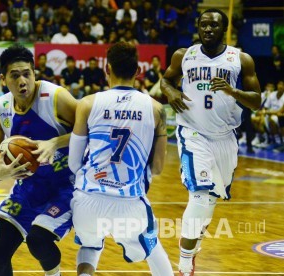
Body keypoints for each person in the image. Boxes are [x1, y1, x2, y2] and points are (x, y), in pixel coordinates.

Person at [160, 8, 261, 275]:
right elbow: (166, 79)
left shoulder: (241, 59)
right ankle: (183, 265)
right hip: (192, 132)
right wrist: (170, 91)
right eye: (203, 25)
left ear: (224, 29)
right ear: (197, 27)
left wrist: (232, 90)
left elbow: (256, 101)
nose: (207, 30)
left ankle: (194, 246)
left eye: (213, 26)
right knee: (200, 192)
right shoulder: (184, 55)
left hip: (225, 137)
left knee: (212, 199)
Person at [68, 41, 173, 276]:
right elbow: (157, 168)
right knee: (152, 246)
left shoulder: (87, 104)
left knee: (90, 244)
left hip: (88, 198)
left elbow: (74, 163)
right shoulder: (157, 109)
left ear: (107, 69)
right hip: (129, 203)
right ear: (138, 71)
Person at [0, 43, 77, 276]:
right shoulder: (0, 109)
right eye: (14, 76)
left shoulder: (55, 97)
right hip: (29, 188)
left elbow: (90, 129)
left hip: (66, 187)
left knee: (38, 241)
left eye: (27, 74)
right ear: (3, 78)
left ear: (34, 73)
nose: (22, 81)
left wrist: (55, 142)